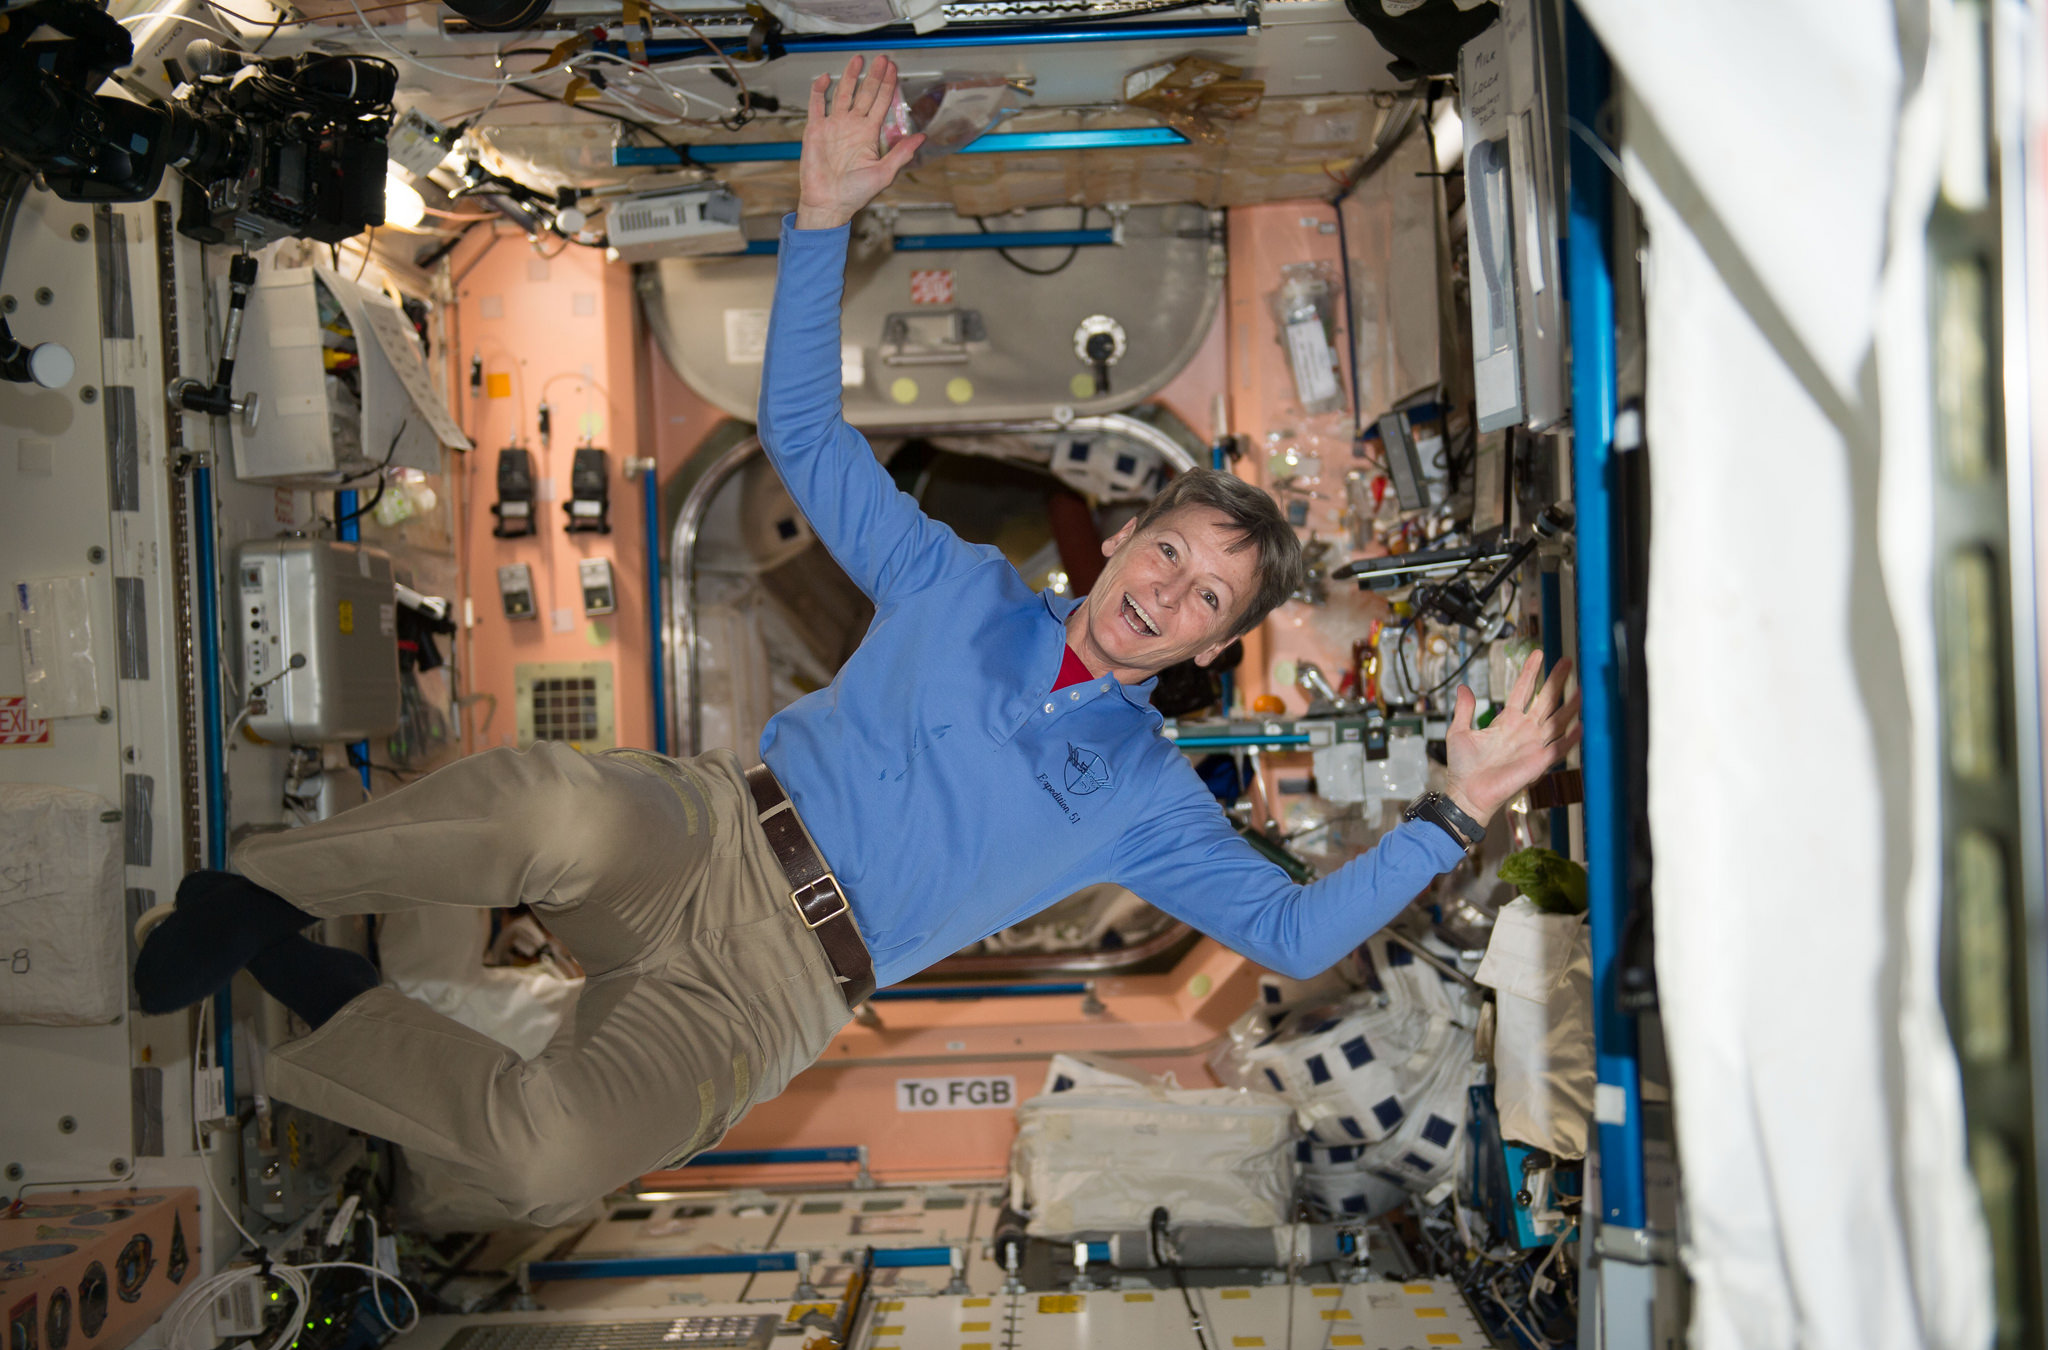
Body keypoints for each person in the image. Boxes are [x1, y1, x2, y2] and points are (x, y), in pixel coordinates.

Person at [133, 53, 1580, 1228]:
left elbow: (1291, 928)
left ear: (1217, 640)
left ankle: (334, 1000)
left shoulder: (1146, 793)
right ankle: (257, 890)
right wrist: (819, 214)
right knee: (549, 805)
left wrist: (1456, 810)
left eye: (1210, 597)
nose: (1171, 592)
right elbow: (806, 435)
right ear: (1127, 538)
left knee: (533, 1167)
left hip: (781, 992)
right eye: (1172, 555)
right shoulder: (960, 586)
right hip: (705, 836)